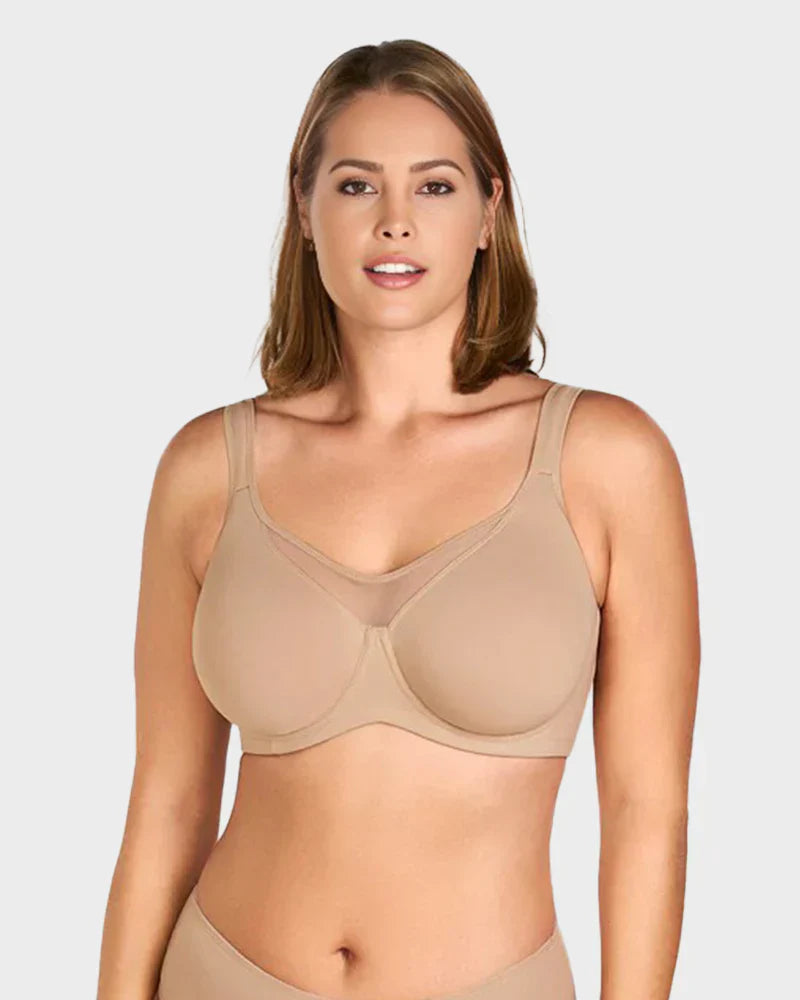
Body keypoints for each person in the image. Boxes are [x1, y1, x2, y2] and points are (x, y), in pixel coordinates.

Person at [96, 39, 700, 1000]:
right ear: (304, 210)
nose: (393, 221)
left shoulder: (606, 460)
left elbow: (644, 812)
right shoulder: (208, 470)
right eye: (354, 185)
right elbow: (167, 805)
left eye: (433, 186)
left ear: (488, 213)